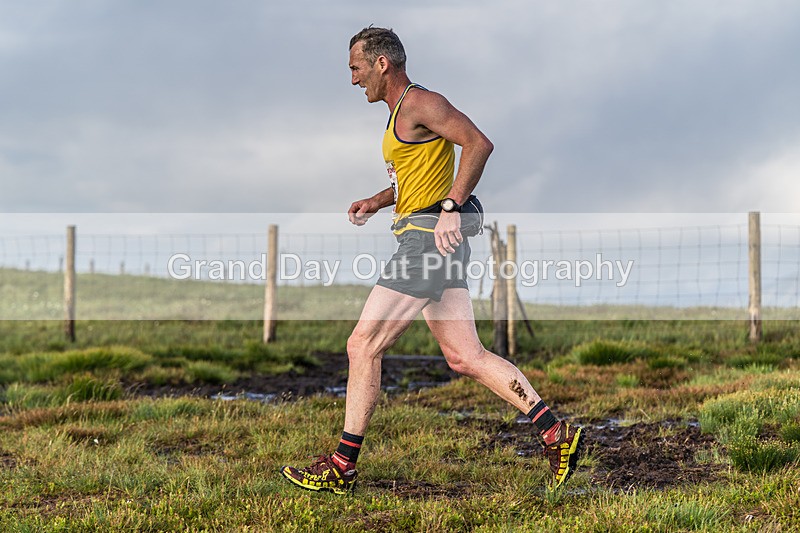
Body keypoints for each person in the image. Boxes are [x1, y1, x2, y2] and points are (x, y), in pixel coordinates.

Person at [280, 26, 583, 494]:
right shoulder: (399, 117)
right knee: (466, 356)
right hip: (432, 242)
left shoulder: (421, 103)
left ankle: (341, 466)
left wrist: (451, 207)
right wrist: (377, 201)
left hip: (426, 244)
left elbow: (479, 143)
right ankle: (555, 432)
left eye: (356, 67)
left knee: (363, 345)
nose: (353, 79)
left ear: (382, 63)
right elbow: (413, 180)